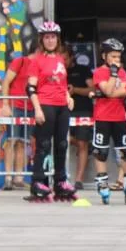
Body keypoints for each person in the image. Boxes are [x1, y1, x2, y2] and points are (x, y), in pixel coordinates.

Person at [26, 22, 77, 202]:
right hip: (45, 104)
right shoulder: (36, 60)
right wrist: (37, 109)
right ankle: (38, 181)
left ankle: (60, 182)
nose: (50, 40)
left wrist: (68, 97)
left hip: (62, 105)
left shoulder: (60, 59)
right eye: (47, 37)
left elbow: (62, 83)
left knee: (62, 144)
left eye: (53, 37)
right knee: (44, 145)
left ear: (57, 39)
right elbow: (30, 88)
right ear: (42, 40)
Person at [90, 38, 126, 205]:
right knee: (101, 152)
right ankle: (102, 182)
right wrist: (114, 77)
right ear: (104, 56)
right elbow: (108, 91)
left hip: (120, 117)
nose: (116, 60)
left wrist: (113, 90)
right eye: (113, 56)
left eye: (118, 57)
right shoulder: (99, 72)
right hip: (103, 117)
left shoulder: (123, 72)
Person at [0, 49, 36, 190]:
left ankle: (18, 178)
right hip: (15, 105)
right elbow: (6, 82)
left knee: (23, 143)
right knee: (11, 141)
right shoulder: (20, 61)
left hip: (31, 107)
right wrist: (5, 104)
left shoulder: (41, 64)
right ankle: (8, 178)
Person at [66, 44, 94, 189]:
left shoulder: (83, 70)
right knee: (62, 140)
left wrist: (75, 90)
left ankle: (79, 180)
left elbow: (93, 88)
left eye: (65, 57)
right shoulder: (57, 71)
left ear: (72, 57)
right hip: (63, 110)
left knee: (83, 143)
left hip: (83, 111)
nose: (63, 61)